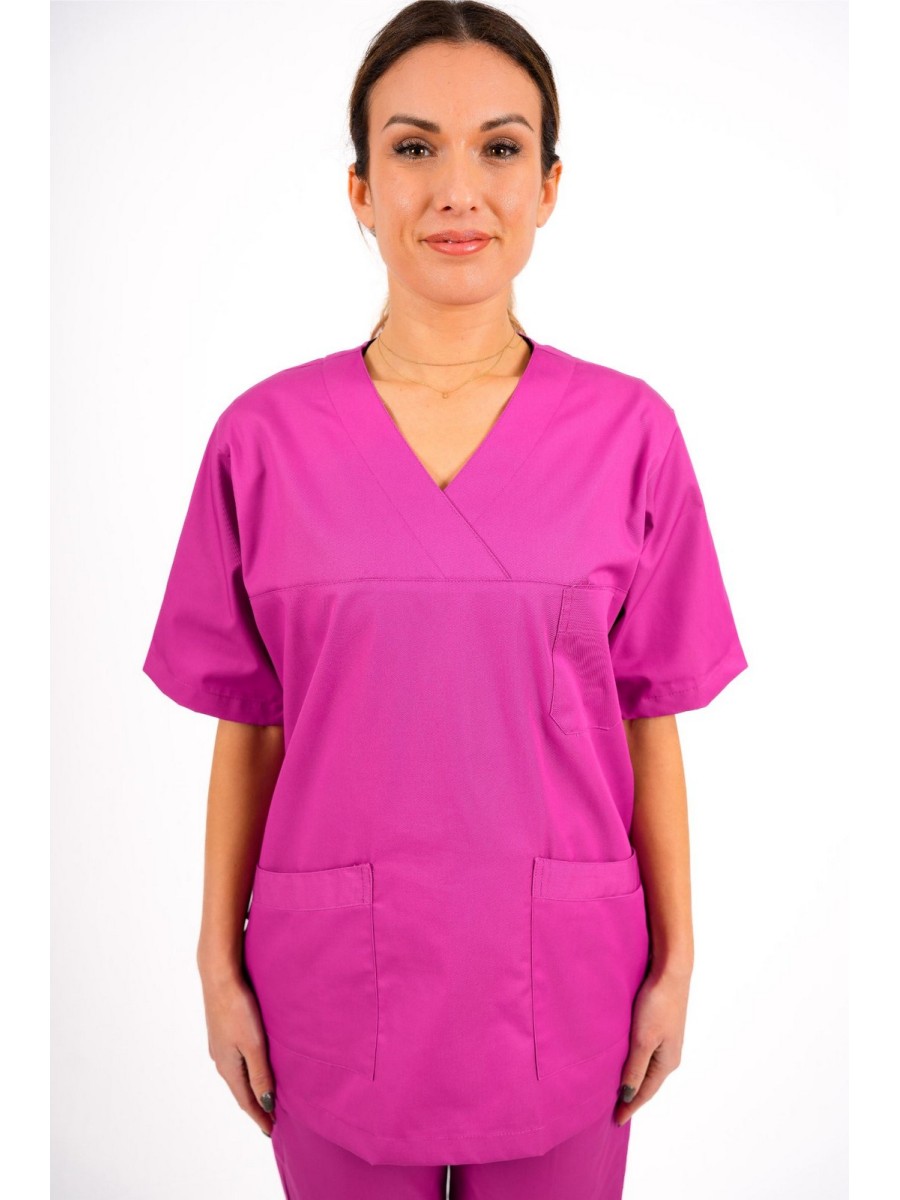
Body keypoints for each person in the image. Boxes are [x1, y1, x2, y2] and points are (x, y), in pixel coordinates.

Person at [142, 2, 748, 1196]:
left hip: (570, 981)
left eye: (500, 148)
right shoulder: (263, 442)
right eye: (414, 147)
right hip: (330, 987)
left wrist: (678, 964)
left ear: (549, 187)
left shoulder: (632, 435)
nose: (458, 190)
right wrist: (217, 968)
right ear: (361, 191)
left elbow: (647, 717)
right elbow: (249, 728)